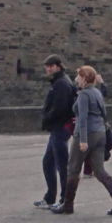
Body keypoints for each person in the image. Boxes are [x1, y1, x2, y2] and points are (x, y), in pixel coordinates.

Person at [53, 65, 112, 216]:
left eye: (79, 77)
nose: (76, 79)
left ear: (85, 78)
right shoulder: (97, 92)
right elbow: (103, 113)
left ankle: (68, 205)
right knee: (99, 170)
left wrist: (83, 140)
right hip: (100, 132)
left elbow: (83, 118)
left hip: (86, 133)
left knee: (73, 168)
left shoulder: (84, 95)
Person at [33, 54, 76, 211]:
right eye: (47, 66)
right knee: (49, 162)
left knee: (61, 165)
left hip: (60, 128)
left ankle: (65, 199)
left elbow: (60, 108)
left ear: (58, 66)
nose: (48, 69)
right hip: (58, 128)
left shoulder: (61, 84)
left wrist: (47, 119)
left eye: (51, 66)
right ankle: (51, 197)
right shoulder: (60, 82)